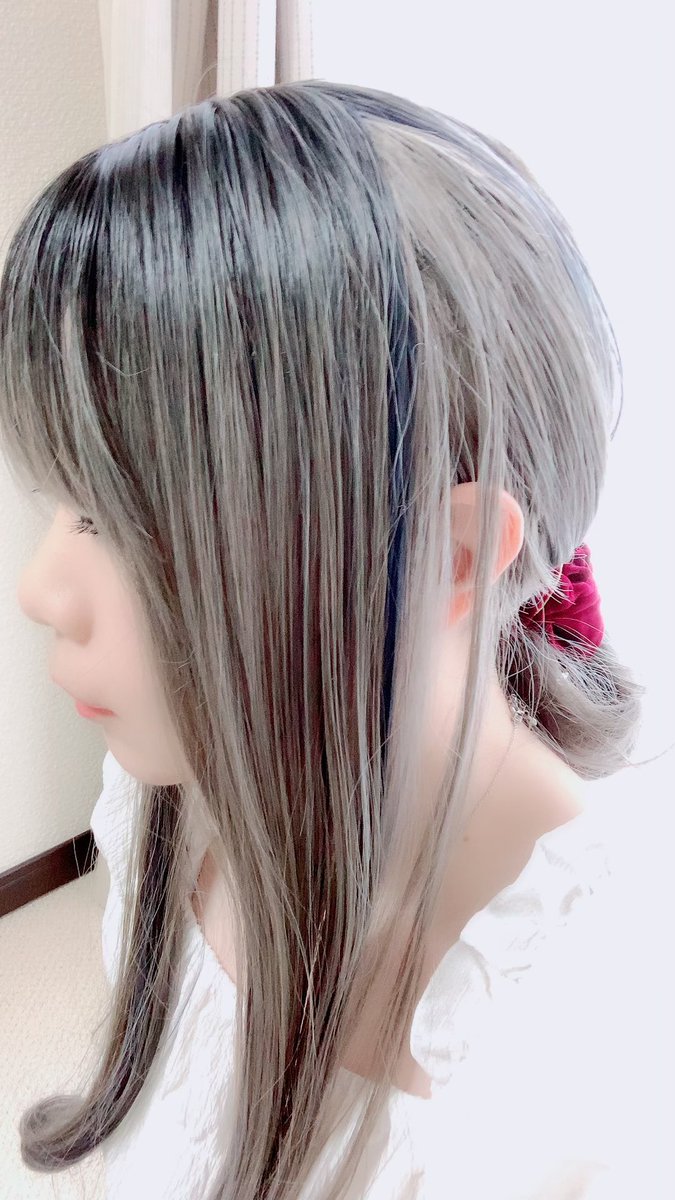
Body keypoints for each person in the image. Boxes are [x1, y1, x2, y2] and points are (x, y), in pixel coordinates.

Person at [0, 80, 671, 1199]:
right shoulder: (171, 802)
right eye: (70, 501)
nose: (41, 590)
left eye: (124, 519)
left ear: (454, 559)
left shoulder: (591, 1084)